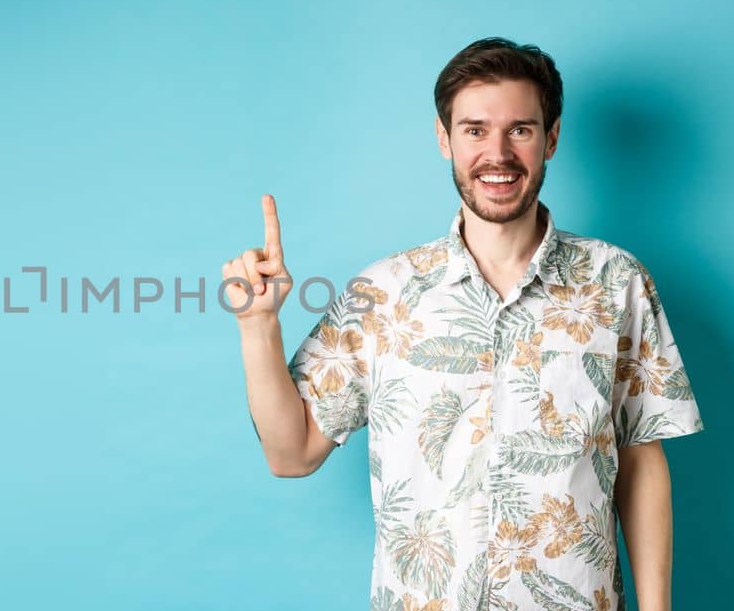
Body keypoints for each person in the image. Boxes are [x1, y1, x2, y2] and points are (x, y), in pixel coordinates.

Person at [222, 37, 704, 611]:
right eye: (475, 130)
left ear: (550, 139)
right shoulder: (383, 294)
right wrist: (258, 327)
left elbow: (641, 458)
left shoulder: (616, 282)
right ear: (443, 138)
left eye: (519, 130)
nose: (496, 154)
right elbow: (291, 453)